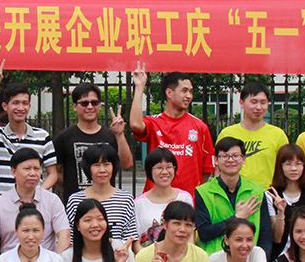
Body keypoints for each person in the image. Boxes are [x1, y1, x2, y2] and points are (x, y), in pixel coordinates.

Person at [129, 65, 214, 195]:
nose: (189, 96)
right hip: (156, 199)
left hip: (187, 201)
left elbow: (207, 169)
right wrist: (140, 87)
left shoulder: (200, 127)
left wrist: (191, 193)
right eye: (184, 91)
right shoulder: (155, 122)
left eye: (191, 92)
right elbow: (135, 124)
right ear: (169, 93)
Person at [0, 60, 60, 197]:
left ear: (29, 106)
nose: (20, 108)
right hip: (4, 202)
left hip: (34, 204)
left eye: (25, 103)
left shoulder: (42, 136)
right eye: (15, 103)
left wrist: (37, 194)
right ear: (5, 107)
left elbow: (53, 174)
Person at [53, 83, 134, 203]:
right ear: (75, 106)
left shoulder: (110, 136)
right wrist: (70, 183)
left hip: (107, 203)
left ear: (99, 106)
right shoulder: (64, 137)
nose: (90, 107)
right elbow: (53, 172)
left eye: (94, 103)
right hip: (77, 204)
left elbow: (127, 164)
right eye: (84, 103)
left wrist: (120, 134)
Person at [194, 137, 272, 257]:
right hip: (213, 260)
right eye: (225, 156)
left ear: (243, 159)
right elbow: (204, 233)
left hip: (249, 259)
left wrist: (262, 259)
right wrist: (236, 218)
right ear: (216, 160)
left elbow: (265, 232)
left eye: (235, 156)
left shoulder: (256, 191)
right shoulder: (203, 191)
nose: (230, 160)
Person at [65, 143, 137, 250]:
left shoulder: (125, 199)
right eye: (96, 165)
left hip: (119, 256)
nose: (102, 170)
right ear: (88, 168)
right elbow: (70, 237)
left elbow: (130, 238)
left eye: (106, 164)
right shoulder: (75, 200)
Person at [217, 82, 289, 188]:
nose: (258, 107)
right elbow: (218, 168)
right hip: (234, 193)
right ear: (241, 103)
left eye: (263, 102)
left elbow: (286, 168)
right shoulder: (227, 133)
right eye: (254, 102)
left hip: (267, 193)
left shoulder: (278, 135)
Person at [268, 144, 305, 260]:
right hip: (280, 257)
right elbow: (277, 238)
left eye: (298, 164)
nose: (293, 169)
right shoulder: (271, 195)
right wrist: (280, 212)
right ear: (280, 166)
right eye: (288, 164)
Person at [135, 148, 195, 249]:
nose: (165, 172)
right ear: (149, 170)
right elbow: (136, 243)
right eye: (159, 168)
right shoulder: (138, 204)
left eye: (169, 167)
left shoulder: (185, 198)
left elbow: (191, 234)